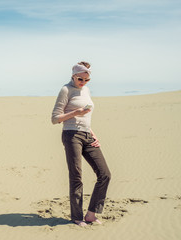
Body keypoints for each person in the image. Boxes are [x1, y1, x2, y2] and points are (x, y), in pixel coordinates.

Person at [51, 61, 111, 227]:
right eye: (80, 79)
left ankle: (91, 214)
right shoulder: (66, 90)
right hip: (72, 135)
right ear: (73, 76)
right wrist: (76, 112)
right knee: (76, 176)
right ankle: (77, 217)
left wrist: (93, 134)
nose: (83, 83)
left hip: (87, 135)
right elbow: (55, 119)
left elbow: (86, 118)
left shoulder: (86, 90)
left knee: (105, 174)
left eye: (87, 80)